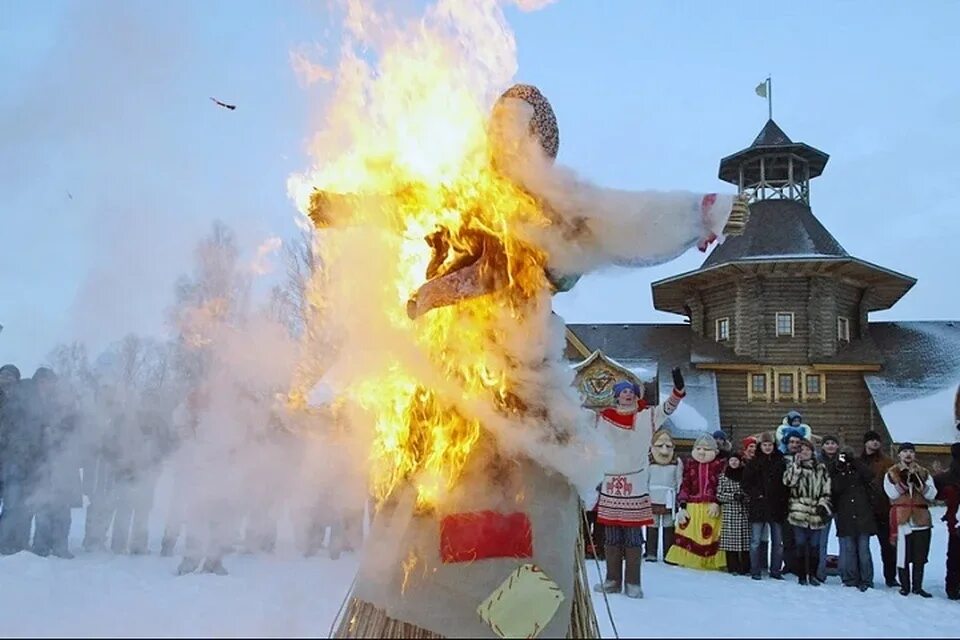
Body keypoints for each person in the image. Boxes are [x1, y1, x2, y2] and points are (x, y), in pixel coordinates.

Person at [593, 369, 686, 599]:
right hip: (611, 481)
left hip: (635, 483)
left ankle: (633, 582)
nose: (628, 394)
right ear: (616, 396)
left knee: (633, 536)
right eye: (623, 391)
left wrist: (678, 391)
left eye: (631, 391)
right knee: (611, 535)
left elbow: (669, 408)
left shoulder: (647, 416)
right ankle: (612, 579)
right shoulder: (602, 418)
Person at [31, 368, 82, 559]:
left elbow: (79, 432)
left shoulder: (69, 409)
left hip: (65, 464)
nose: (46, 384)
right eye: (42, 381)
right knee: (43, 506)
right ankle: (40, 545)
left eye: (50, 381)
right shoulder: (34, 404)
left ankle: (61, 545)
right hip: (42, 463)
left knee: (62, 508)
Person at [665, 432, 726, 571]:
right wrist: (682, 505)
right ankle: (688, 558)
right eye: (698, 449)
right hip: (693, 506)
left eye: (706, 449)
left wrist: (717, 501)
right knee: (690, 532)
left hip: (711, 507)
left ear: (714, 451)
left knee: (710, 534)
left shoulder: (719, 466)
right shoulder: (690, 465)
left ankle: (710, 560)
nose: (701, 452)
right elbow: (685, 485)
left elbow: (721, 485)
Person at [883, 442, 937, 597]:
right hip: (902, 518)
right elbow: (892, 494)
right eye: (905, 451)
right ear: (899, 454)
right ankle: (905, 586)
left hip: (921, 519)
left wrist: (919, 483)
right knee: (903, 555)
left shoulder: (924, 472)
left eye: (911, 452)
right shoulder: (892, 473)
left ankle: (918, 586)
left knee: (920, 555)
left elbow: (932, 494)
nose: (908, 454)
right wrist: (904, 483)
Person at [783, 439, 832, 586]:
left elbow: (827, 489)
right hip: (799, 511)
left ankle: (813, 574)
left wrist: (823, 504)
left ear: (812, 452)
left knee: (815, 546)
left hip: (816, 512)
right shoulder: (793, 466)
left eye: (807, 450)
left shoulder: (821, 468)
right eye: (801, 450)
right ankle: (802, 575)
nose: (804, 453)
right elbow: (788, 482)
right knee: (800, 544)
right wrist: (796, 466)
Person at [830, 446, 876, 591]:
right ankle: (851, 578)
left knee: (863, 549)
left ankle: (866, 579)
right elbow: (835, 487)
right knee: (849, 549)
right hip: (845, 513)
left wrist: (855, 462)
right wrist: (840, 467)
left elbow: (869, 475)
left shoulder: (860, 468)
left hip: (863, 512)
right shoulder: (838, 470)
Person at [742, 431, 787, 580]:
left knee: (778, 542)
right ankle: (755, 570)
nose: (767, 447)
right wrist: (757, 494)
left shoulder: (781, 461)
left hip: (777, 506)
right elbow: (746, 483)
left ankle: (775, 570)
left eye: (770, 445)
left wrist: (782, 497)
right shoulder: (754, 462)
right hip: (759, 506)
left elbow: (786, 483)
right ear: (760, 446)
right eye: (765, 445)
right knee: (755, 541)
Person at [860, 430, 899, 587]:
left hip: (883, 508)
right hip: (864, 509)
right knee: (862, 546)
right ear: (865, 443)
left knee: (888, 546)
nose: (875, 443)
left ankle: (890, 577)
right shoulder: (859, 461)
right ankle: (863, 575)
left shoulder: (887, 462)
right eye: (871, 440)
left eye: (877, 441)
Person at [646, 428, 682, 563]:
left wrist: (678, 497)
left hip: (669, 498)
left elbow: (679, 481)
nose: (664, 450)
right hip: (652, 497)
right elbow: (645, 480)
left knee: (668, 525)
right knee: (652, 525)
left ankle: (669, 553)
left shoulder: (676, 463)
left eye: (668, 446)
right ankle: (651, 552)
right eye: (660, 446)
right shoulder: (648, 462)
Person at [934, 442, 960, 600]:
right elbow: (936, 491)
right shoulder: (951, 474)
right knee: (955, 555)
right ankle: (953, 587)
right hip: (956, 520)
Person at [717, 453, 750, 575]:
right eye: (732, 460)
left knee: (745, 541)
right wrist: (733, 496)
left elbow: (750, 490)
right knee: (731, 542)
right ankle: (733, 566)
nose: (734, 463)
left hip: (744, 511)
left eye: (736, 460)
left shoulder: (745, 475)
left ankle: (745, 567)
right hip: (730, 511)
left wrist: (745, 497)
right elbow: (719, 495)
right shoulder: (723, 477)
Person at [815, 434, 841, 582]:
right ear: (823, 446)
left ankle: (845, 570)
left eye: (833, 443)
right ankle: (820, 572)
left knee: (843, 540)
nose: (830, 446)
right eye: (827, 443)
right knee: (821, 540)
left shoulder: (842, 460)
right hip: (824, 504)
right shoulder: (817, 461)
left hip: (841, 504)